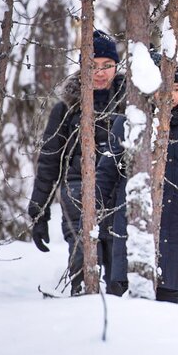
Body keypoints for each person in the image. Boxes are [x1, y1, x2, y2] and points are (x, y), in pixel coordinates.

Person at [95, 51, 178, 303]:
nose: (171, 96)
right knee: (127, 297)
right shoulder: (127, 123)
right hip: (132, 224)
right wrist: (93, 212)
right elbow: (107, 175)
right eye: (164, 88)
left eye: (176, 88)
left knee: (167, 302)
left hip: (175, 227)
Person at [28, 29, 124, 296]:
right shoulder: (66, 110)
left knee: (118, 275)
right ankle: (81, 316)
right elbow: (49, 163)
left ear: (116, 66)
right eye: (92, 66)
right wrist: (39, 212)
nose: (101, 73)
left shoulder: (128, 105)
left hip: (118, 197)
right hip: (77, 193)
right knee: (83, 266)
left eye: (107, 66)